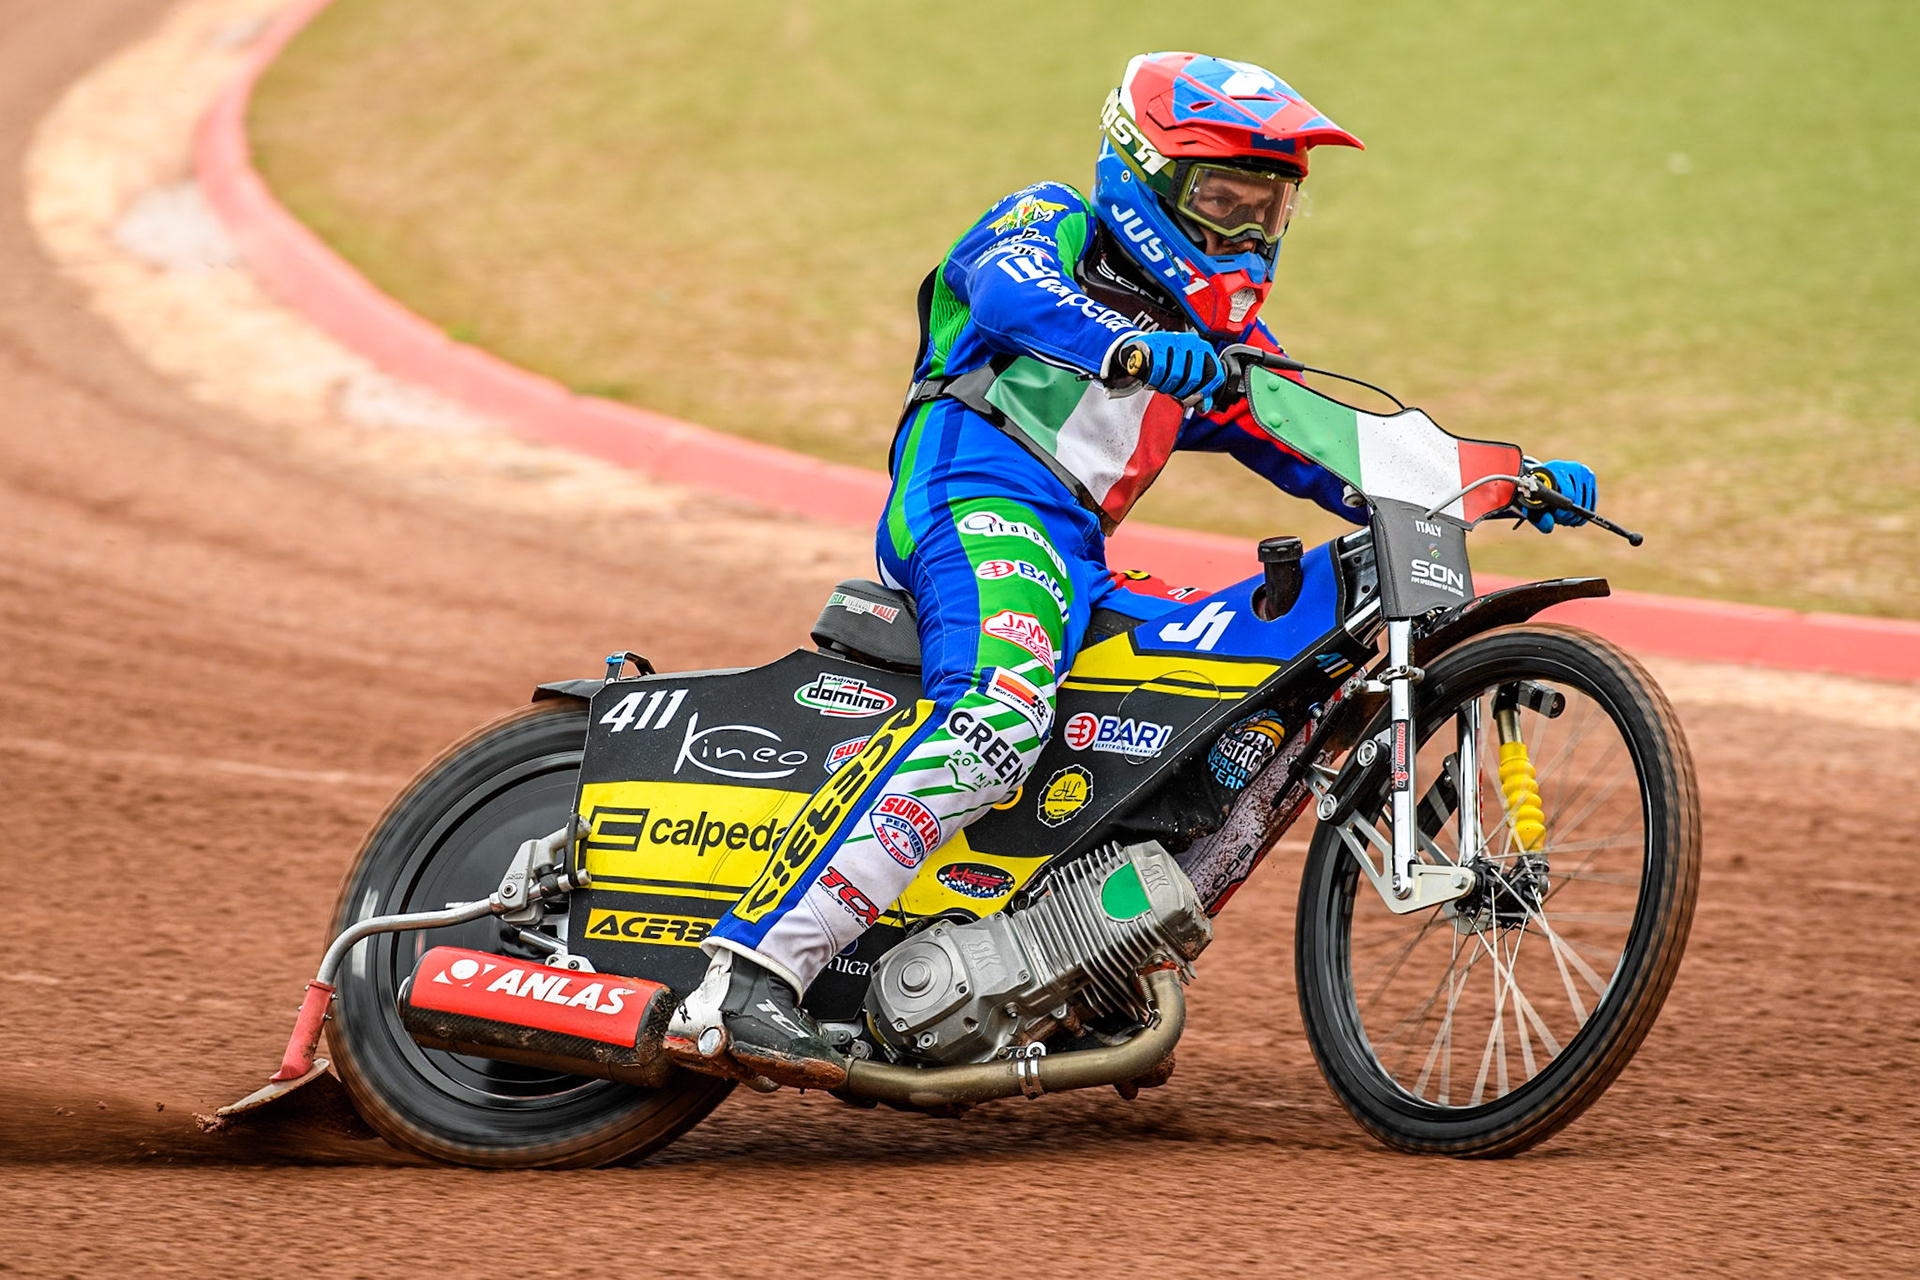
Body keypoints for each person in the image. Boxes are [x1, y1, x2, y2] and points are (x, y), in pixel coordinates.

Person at [690, 51, 1597, 1087]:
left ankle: (1069, 963)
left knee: (1223, 703)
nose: (1249, 234)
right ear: (1143, 174)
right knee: (997, 716)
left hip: (1074, 552)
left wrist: (1501, 476)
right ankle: (750, 969)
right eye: (1223, 199)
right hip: (970, 503)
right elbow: (1009, 291)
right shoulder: (1049, 226)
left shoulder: (1227, 342)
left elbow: (1338, 444)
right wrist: (1126, 346)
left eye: (1271, 209)